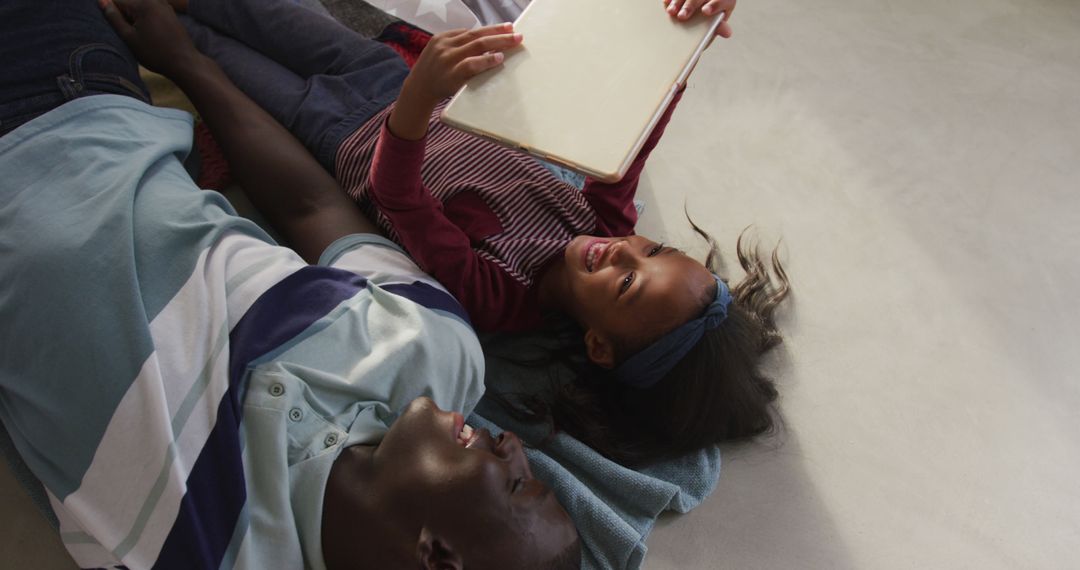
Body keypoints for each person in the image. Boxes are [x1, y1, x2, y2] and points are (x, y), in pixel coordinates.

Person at [0, 0, 579, 568]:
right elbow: (309, 205)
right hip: (76, 91)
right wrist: (184, 61)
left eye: (518, 486)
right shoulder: (440, 349)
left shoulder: (210, 552)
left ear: (438, 556)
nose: (515, 447)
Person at [172, 0, 790, 466]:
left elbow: (401, 200)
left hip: (340, 132)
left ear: (600, 346)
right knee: (263, 9)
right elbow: (631, 137)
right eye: (656, 249)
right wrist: (686, 48)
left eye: (628, 281)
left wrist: (417, 101)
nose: (624, 247)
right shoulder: (604, 222)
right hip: (385, 79)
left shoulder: (501, 298)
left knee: (199, 44)